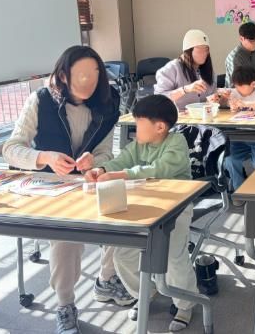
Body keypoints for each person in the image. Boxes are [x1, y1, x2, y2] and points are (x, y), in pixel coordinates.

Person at [2, 45, 133, 334]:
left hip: (87, 181)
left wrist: (94, 162)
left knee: (123, 209)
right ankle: (65, 304)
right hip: (50, 185)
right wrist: (44, 157)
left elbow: (106, 152)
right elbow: (10, 149)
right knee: (66, 236)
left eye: (95, 74)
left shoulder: (108, 103)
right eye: (81, 75)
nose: (90, 81)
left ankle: (106, 279)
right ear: (63, 75)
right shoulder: (40, 100)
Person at [84, 94, 195, 331]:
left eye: (139, 123)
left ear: (160, 127)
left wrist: (122, 174)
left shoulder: (176, 142)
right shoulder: (139, 145)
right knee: (123, 256)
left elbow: (160, 169)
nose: (135, 129)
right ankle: (145, 291)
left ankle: (185, 304)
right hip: (145, 206)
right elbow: (122, 160)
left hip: (177, 208)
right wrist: (102, 169)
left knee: (174, 257)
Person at [211, 66, 255, 189]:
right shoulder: (234, 92)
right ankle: (238, 188)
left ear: (253, 84)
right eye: (236, 86)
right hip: (238, 136)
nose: (238, 90)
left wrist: (246, 103)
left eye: (241, 87)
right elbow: (222, 103)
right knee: (230, 160)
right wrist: (222, 100)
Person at [154, 29, 216, 110]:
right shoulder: (172, 68)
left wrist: (218, 98)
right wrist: (185, 90)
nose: (204, 53)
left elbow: (211, 97)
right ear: (188, 51)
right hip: (178, 116)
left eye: (206, 49)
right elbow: (158, 100)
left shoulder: (208, 70)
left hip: (203, 115)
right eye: (200, 49)